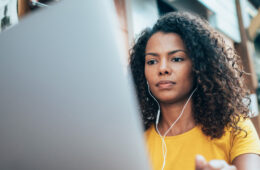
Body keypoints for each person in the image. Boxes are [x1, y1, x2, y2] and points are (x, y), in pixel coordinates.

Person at [129, 12, 260, 170]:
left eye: (177, 59)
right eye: (152, 61)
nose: (162, 68)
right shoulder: (135, 142)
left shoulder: (235, 128)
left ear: (199, 67)